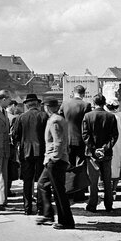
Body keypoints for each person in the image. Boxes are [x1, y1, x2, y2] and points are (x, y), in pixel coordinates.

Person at [36, 96, 75, 230]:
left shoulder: (54, 121)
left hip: (55, 160)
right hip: (55, 159)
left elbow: (58, 142)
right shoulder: (58, 119)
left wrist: (55, 158)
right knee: (42, 184)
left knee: (59, 192)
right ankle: (48, 213)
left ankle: (66, 221)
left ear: (47, 107)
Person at [11, 94, 48, 215]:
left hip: (26, 152)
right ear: (37, 104)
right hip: (41, 152)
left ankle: (27, 207)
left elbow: (15, 136)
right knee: (41, 181)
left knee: (27, 181)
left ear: (27, 105)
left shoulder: (21, 117)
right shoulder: (44, 116)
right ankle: (41, 207)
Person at [82, 93, 118, 213]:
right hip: (106, 154)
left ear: (94, 103)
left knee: (93, 181)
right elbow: (114, 136)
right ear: (104, 103)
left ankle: (92, 205)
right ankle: (109, 205)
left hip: (92, 155)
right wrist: (104, 148)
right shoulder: (111, 117)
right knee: (107, 180)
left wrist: (94, 149)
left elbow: (85, 135)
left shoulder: (87, 116)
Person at [59, 85, 92, 202]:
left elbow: (59, 120)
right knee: (81, 166)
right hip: (80, 140)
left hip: (66, 140)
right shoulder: (86, 105)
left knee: (69, 165)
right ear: (83, 93)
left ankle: (69, 191)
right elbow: (87, 124)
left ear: (73, 92)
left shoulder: (65, 104)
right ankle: (79, 193)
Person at [106, 99, 121, 200]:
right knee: (119, 166)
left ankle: (110, 190)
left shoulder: (106, 115)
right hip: (120, 144)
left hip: (109, 145)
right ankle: (114, 189)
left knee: (109, 167)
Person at [5, 100, 20, 197]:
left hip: (2, 146)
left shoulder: (2, 115)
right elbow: (14, 134)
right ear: (13, 105)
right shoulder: (13, 118)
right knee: (10, 167)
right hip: (10, 147)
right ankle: (8, 190)